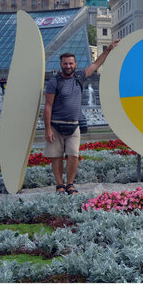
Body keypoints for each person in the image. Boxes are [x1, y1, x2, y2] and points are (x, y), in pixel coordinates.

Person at [44, 41, 119, 194]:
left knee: (73, 155)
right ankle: (59, 185)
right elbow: (48, 106)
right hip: (55, 125)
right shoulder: (54, 82)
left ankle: (70, 184)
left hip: (74, 125)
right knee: (56, 156)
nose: (68, 66)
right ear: (61, 65)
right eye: (65, 64)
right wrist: (47, 129)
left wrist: (109, 49)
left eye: (71, 63)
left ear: (75, 64)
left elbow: (96, 64)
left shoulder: (79, 76)